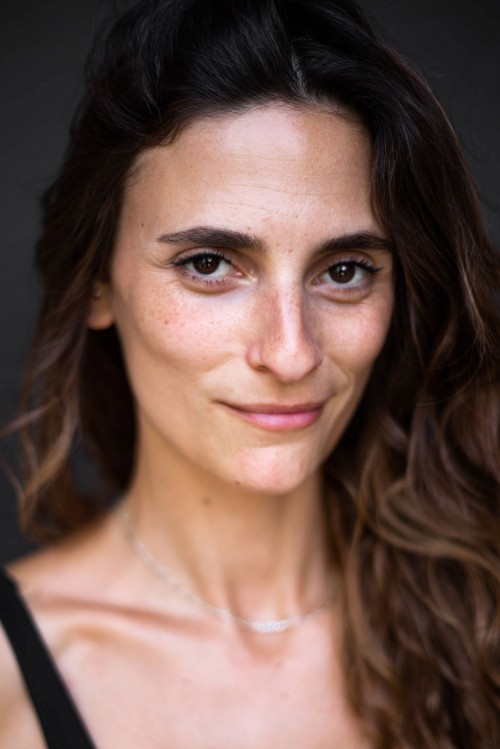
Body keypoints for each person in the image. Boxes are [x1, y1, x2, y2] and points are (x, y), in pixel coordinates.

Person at [0, 0, 499, 746]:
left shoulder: (483, 615)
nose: (292, 353)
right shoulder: (13, 680)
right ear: (97, 282)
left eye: (345, 270)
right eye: (209, 264)